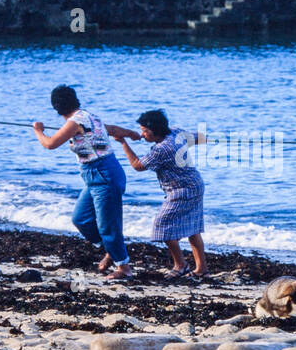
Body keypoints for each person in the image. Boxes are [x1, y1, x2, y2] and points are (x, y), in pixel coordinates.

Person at [33, 85, 136, 281]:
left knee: (108, 226)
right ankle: (111, 251)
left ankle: (124, 267)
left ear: (56, 107)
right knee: (81, 219)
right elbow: (111, 129)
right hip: (93, 176)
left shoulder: (74, 121)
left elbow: (50, 144)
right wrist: (129, 133)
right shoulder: (88, 116)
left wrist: (38, 130)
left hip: (104, 173)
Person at [117, 109, 207, 278]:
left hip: (182, 190)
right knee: (193, 228)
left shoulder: (162, 149)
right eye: (142, 130)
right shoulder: (175, 132)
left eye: (145, 131)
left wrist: (123, 142)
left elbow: (137, 165)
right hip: (195, 184)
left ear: (156, 131)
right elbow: (201, 137)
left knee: (162, 226)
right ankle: (201, 269)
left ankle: (181, 265)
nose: (143, 135)